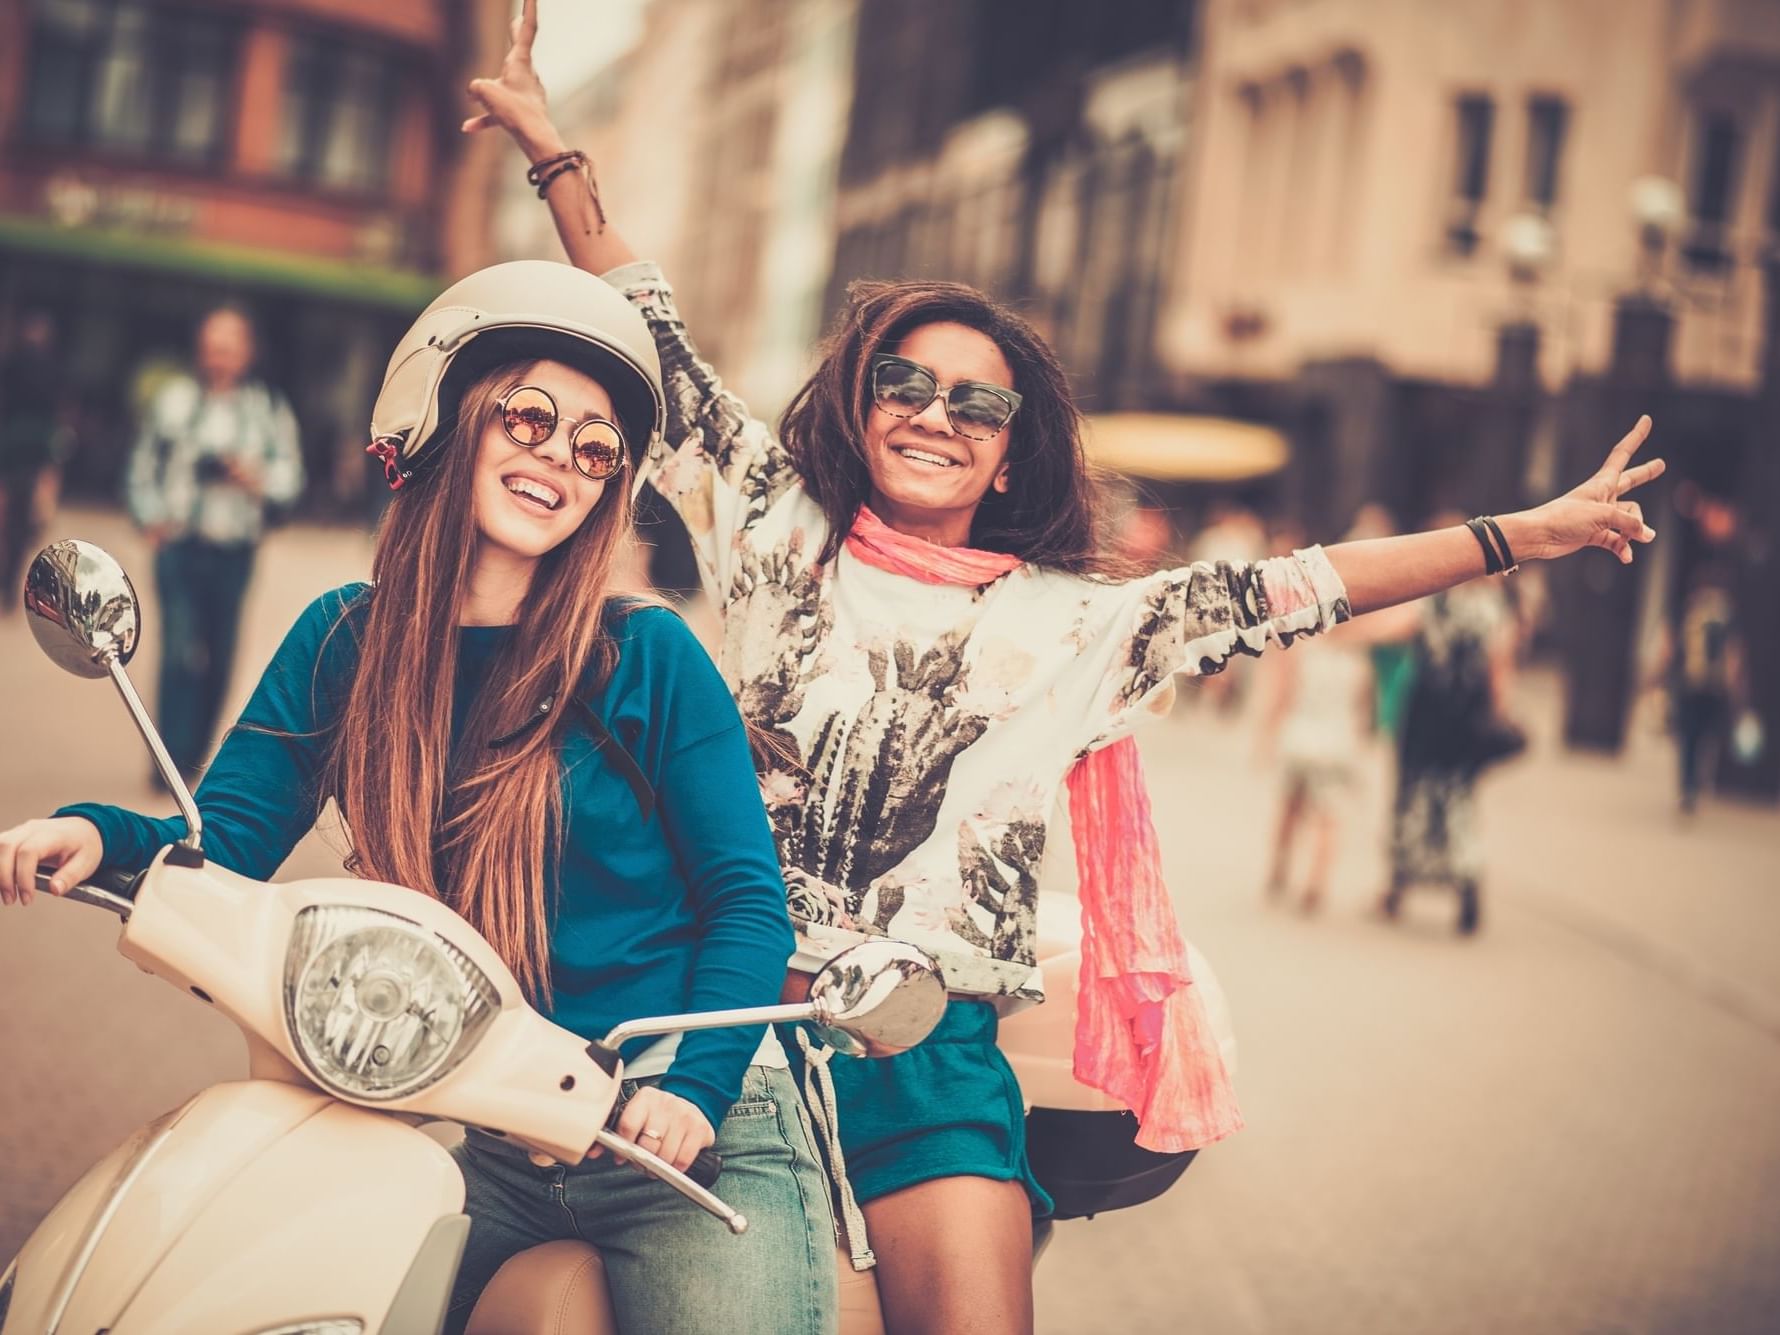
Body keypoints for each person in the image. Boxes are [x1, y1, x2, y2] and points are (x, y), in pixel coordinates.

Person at [467, 8, 1664, 1329]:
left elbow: (1306, 585)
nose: (933, 413)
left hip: (929, 1064)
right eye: (905, 384)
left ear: (1008, 445)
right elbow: (659, 334)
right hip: (724, 1038)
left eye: (973, 401)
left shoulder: (1084, 624)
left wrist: (1526, 534)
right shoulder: (770, 526)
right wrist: (553, 149)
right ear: (862, 408)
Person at [0, 262, 836, 1335]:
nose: (559, 459)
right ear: (449, 419)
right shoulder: (346, 639)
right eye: (531, 417)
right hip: (496, 1121)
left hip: (680, 1126)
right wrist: (90, 830)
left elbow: (745, 903)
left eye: (595, 449)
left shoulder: (645, 654)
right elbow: (227, 841)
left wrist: (695, 1093)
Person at [124, 306, 306, 783]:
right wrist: (149, 516)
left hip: (234, 549)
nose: (220, 354)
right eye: (213, 343)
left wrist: (253, 477)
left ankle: (193, 757)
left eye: (230, 344)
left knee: (220, 655)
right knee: (179, 651)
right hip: (180, 544)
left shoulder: (267, 409)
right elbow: (144, 462)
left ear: (247, 352)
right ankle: (165, 761)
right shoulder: (175, 401)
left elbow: (291, 479)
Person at [1379, 532, 1520, 936]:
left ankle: (1398, 885)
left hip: (1425, 714)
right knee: (1459, 800)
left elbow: (1394, 629)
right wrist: (1498, 714)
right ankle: (1467, 888)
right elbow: (1499, 669)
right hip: (1466, 719)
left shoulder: (1434, 603)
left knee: (1412, 798)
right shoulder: (1494, 611)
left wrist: (1340, 636)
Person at [1260, 629, 1373, 914]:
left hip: (1300, 739)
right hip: (1337, 744)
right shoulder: (1359, 660)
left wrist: (1267, 735)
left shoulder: (1301, 650)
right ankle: (1316, 882)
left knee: (1289, 807)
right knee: (1328, 818)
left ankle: (1279, 867)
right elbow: (1364, 711)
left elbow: (1283, 696)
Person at [0, 310, 69, 610]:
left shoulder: (11, 365)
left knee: (10, 523)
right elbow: (59, 419)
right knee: (18, 525)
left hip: (11, 452)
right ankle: (7, 584)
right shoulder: (54, 371)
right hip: (32, 456)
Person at [1669, 559, 1745, 814]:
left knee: (1687, 738)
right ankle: (1697, 782)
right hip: (1715, 686)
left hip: (1690, 683)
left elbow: (1670, 644)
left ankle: (1687, 786)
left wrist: (1655, 674)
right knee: (1705, 738)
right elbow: (1734, 653)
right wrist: (1736, 687)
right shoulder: (1728, 613)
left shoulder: (1690, 608)